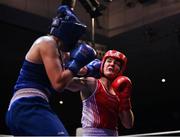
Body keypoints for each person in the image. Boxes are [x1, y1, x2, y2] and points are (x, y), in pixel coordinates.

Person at [5, 4, 97, 136]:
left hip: (23, 108)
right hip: (29, 105)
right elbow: (58, 84)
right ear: (69, 32)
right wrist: (77, 63)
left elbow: (69, 84)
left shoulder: (57, 52)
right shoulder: (47, 42)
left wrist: (88, 73)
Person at [66, 50, 134, 136]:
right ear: (102, 65)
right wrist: (81, 68)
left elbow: (128, 124)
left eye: (117, 63)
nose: (112, 64)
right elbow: (63, 83)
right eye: (109, 61)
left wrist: (125, 100)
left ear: (120, 70)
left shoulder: (119, 91)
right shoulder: (92, 83)